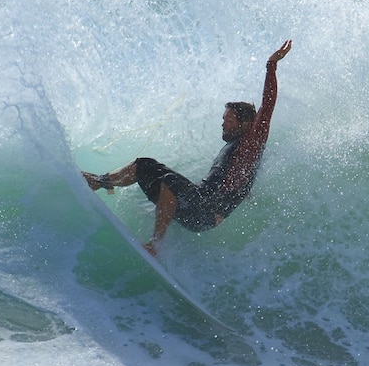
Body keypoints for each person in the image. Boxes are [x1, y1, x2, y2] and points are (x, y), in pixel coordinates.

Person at [83, 40, 292, 256]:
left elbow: (267, 106)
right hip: (198, 207)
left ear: (245, 124)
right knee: (144, 165)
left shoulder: (251, 142)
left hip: (204, 212)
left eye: (228, 119)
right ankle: (100, 182)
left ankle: (156, 245)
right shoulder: (240, 153)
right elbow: (235, 183)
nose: (222, 123)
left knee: (170, 182)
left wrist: (271, 64)